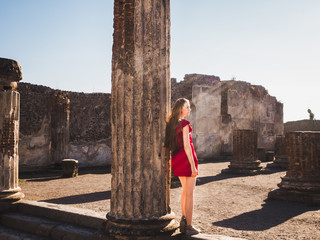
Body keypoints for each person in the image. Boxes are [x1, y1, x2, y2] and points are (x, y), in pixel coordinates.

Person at [165, 98, 200, 235]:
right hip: (186, 160)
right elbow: (187, 146)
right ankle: (189, 226)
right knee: (190, 194)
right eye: (187, 107)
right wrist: (193, 166)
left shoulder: (172, 124)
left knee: (185, 192)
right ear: (180, 109)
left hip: (177, 159)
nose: (189, 109)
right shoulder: (184, 123)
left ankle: (184, 222)